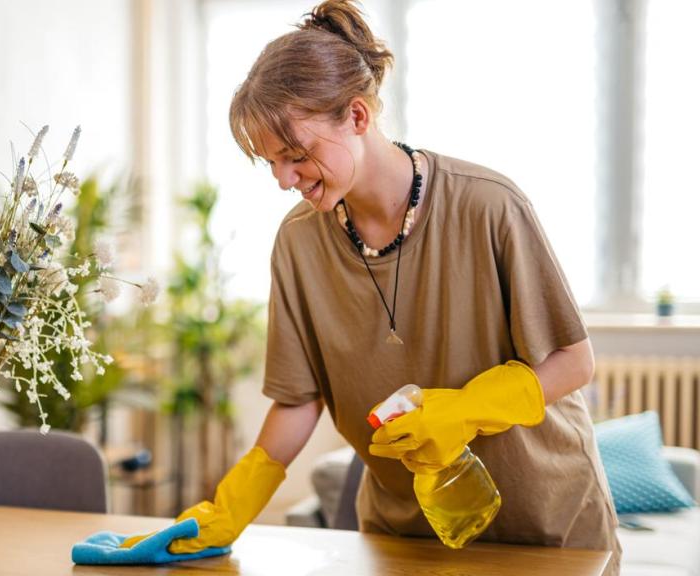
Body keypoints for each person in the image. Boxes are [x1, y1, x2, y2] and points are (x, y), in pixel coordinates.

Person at [124, 0, 620, 572]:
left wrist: (467, 408)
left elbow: (574, 361)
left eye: (296, 154)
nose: (285, 179)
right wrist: (232, 505)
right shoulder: (298, 243)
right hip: (403, 534)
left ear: (357, 117)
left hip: (544, 528)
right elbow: (298, 398)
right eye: (272, 163)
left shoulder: (489, 205)